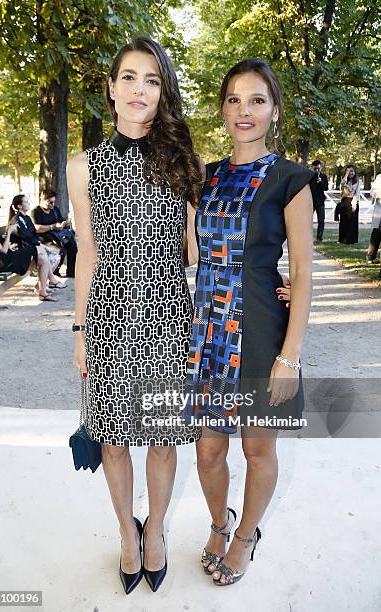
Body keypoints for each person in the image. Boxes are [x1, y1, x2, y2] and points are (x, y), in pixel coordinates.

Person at [68, 37, 293, 595]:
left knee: (164, 435)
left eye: (151, 79)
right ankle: (127, 532)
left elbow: (204, 244)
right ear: (111, 89)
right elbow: (88, 253)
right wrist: (78, 329)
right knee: (114, 438)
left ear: (162, 91)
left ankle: (157, 535)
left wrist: (266, 277)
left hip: (172, 316)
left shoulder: (186, 163)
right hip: (109, 317)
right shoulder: (83, 166)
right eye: (128, 78)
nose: (138, 89)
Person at [184, 58, 313, 586]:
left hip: (260, 329)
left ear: (274, 111)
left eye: (257, 100)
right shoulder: (204, 176)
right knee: (209, 447)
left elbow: (303, 272)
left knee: (258, 448)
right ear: (222, 110)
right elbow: (191, 253)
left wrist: (290, 358)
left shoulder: (291, 180)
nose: (245, 110)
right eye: (234, 100)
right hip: (206, 329)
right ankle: (220, 522)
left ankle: (245, 537)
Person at [0, 200, 57, 301]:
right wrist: (9, 232)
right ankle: (45, 288)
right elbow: (3, 251)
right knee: (36, 250)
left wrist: (9, 240)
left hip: (7, 257)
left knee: (42, 258)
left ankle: (42, 291)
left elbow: (3, 247)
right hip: (4, 261)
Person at [9, 194, 66, 290]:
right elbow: (24, 237)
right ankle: (48, 283)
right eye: (26, 202)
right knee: (47, 256)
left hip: (30, 247)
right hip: (21, 251)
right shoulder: (16, 219)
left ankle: (44, 283)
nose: (28, 203)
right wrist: (39, 245)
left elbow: (33, 234)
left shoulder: (26, 218)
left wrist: (40, 244)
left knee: (56, 255)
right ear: (19, 206)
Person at [32, 190, 77, 277]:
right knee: (62, 248)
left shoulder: (55, 209)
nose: (52, 204)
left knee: (72, 244)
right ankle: (54, 271)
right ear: (42, 200)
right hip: (44, 237)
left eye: (54, 202)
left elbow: (61, 219)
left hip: (56, 236)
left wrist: (65, 223)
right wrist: (52, 226)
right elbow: (36, 228)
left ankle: (71, 272)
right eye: (50, 202)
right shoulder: (35, 211)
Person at [335, 165, 360, 244]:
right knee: (343, 222)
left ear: (355, 172)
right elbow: (342, 184)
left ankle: (352, 240)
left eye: (352, 171)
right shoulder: (345, 180)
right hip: (344, 201)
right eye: (349, 171)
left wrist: (354, 204)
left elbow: (357, 193)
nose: (351, 173)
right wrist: (346, 174)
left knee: (352, 222)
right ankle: (342, 239)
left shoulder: (357, 181)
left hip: (353, 201)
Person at [310, 159, 328, 241]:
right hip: (311, 201)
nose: (317, 170)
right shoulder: (310, 176)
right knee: (308, 220)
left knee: (321, 220)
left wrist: (320, 182)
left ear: (321, 167)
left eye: (318, 168)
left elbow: (326, 188)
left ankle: (319, 237)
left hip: (320, 201)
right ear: (312, 168)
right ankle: (308, 237)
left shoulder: (324, 176)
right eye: (315, 169)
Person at [366, 172, 381, 270]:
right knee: (376, 235)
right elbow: (373, 191)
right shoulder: (380, 177)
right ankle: (371, 256)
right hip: (380, 210)